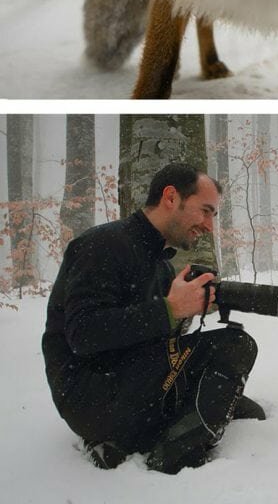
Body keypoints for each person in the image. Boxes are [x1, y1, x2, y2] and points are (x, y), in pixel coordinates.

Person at [42, 162, 264, 474]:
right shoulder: (101, 245)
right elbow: (83, 335)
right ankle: (174, 456)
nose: (209, 225)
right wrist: (170, 310)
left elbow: (150, 339)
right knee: (235, 345)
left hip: (129, 383)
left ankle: (154, 426)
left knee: (225, 381)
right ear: (171, 197)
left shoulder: (161, 265)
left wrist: (184, 312)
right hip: (91, 397)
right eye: (205, 211)